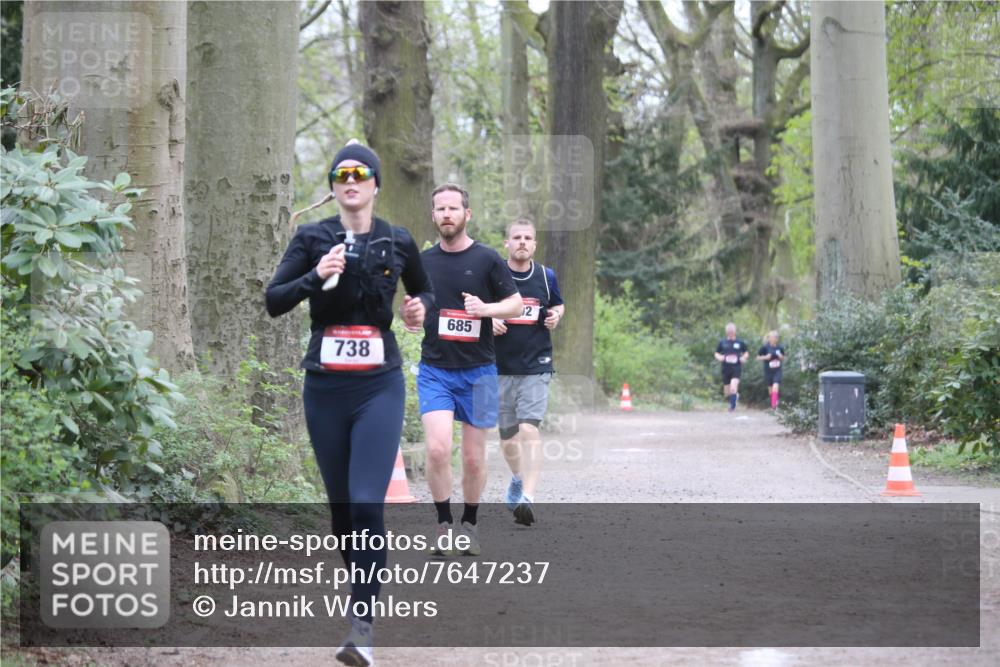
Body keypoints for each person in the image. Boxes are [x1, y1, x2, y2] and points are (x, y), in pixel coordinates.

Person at [265, 141, 433, 667]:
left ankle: (362, 628)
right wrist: (317, 274)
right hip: (325, 387)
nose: (351, 180)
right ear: (334, 186)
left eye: (361, 173)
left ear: (376, 184)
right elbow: (274, 300)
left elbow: (426, 294)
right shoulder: (312, 237)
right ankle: (360, 604)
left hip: (379, 385)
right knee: (343, 513)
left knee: (366, 503)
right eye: (342, 174)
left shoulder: (398, 239)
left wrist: (416, 309)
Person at [417, 183, 523, 556]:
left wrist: (485, 310)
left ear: (467, 214)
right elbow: (414, 304)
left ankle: (470, 525)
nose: (447, 214)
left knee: (474, 458)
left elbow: (515, 305)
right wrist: (413, 315)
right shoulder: (424, 261)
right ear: (433, 216)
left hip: (478, 371)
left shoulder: (488, 259)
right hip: (435, 370)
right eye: (440, 209)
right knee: (437, 449)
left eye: (453, 208)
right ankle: (444, 523)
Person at [493, 219, 565, 526]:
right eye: (516, 237)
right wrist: (488, 322)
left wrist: (555, 316)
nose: (522, 242)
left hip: (536, 365)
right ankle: (518, 479)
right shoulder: (494, 275)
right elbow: (477, 308)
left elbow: (559, 305)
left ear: (534, 244)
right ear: (507, 244)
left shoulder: (546, 277)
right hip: (498, 367)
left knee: (529, 429)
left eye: (528, 238)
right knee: (508, 438)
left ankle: (528, 499)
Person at [714, 323, 749, 412]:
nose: (730, 333)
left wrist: (743, 358)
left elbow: (746, 352)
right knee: (727, 392)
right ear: (726, 332)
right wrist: (720, 357)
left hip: (736, 367)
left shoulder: (740, 342)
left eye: (732, 331)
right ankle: (735, 396)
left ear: (734, 331)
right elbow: (716, 353)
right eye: (728, 331)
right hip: (725, 367)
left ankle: (732, 407)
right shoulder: (722, 342)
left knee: (733, 386)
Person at [757, 330, 785, 409]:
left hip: (777, 370)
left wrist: (781, 357)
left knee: (775, 386)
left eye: (775, 337)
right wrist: (765, 357)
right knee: (770, 389)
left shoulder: (780, 347)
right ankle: (774, 401)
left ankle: (774, 406)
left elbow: (783, 358)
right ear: (769, 338)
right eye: (772, 337)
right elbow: (758, 357)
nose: (773, 339)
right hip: (768, 371)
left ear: (777, 339)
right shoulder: (765, 347)